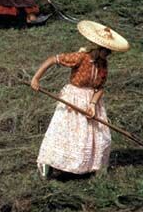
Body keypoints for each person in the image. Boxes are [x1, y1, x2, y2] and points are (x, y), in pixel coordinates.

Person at [31, 20, 130, 176]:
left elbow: (100, 88)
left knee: (99, 136)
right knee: (67, 133)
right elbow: (53, 59)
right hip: (74, 99)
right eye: (106, 51)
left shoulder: (103, 65)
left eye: (110, 52)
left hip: (92, 102)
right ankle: (49, 163)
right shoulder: (80, 57)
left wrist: (92, 104)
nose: (108, 54)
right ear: (98, 49)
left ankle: (91, 167)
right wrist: (36, 79)